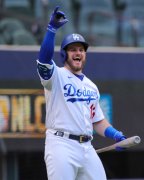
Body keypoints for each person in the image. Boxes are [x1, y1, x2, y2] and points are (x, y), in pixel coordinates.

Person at [36, 7, 126, 180]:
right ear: (64, 54)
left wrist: (115, 134)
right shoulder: (56, 76)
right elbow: (44, 60)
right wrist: (51, 30)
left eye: (81, 50)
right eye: (73, 49)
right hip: (61, 144)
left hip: (87, 147)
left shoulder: (91, 86)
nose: (78, 53)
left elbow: (97, 120)